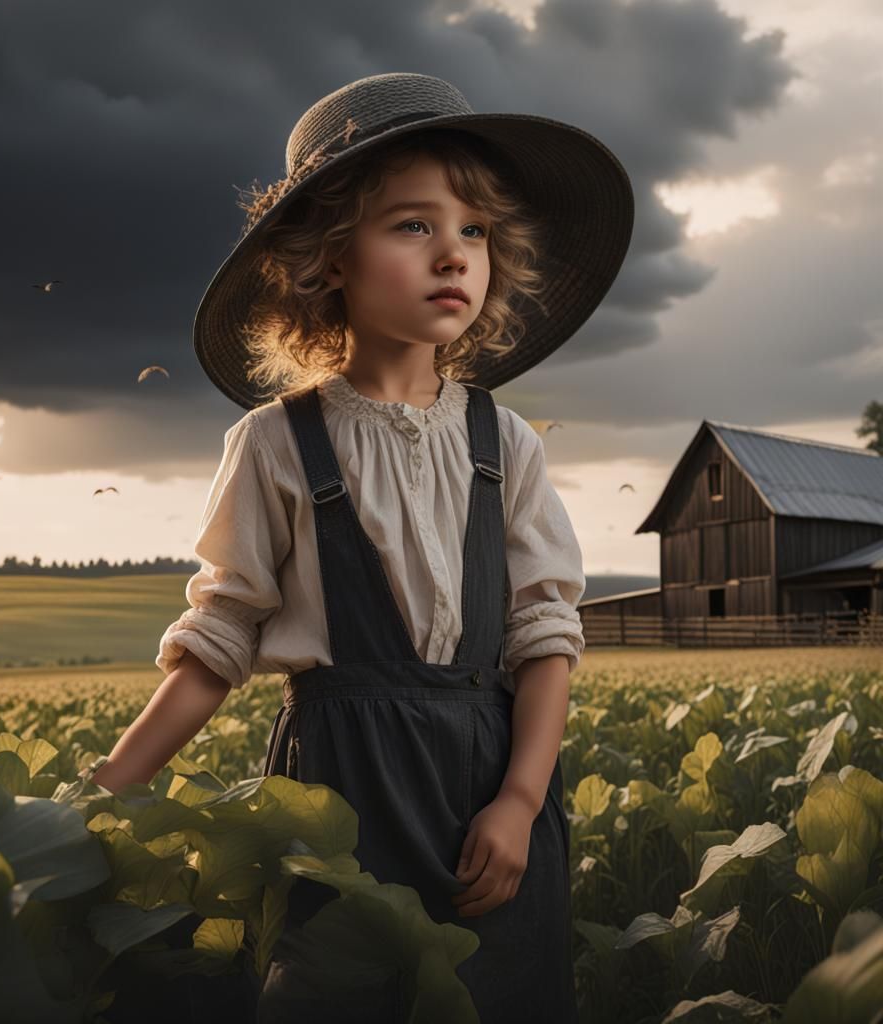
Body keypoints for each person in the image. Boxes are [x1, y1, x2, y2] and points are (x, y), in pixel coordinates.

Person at [82, 72, 634, 1023]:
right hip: (339, 795)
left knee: (498, 996)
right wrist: (97, 798)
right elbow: (218, 643)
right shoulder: (274, 443)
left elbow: (546, 636)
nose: (453, 254)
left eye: (475, 230)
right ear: (330, 258)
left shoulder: (507, 443)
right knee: (331, 992)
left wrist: (520, 800)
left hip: (489, 797)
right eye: (414, 226)